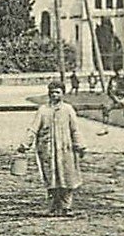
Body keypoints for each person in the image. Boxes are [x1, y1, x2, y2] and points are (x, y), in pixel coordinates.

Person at [21, 79, 86, 216]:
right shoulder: (43, 110)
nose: (54, 95)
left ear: (63, 93)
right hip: (48, 149)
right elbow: (33, 129)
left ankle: (66, 206)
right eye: (52, 93)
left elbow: (75, 129)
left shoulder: (68, 109)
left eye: (57, 92)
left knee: (67, 176)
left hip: (65, 148)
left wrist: (80, 145)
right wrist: (26, 144)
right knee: (51, 177)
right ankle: (52, 206)